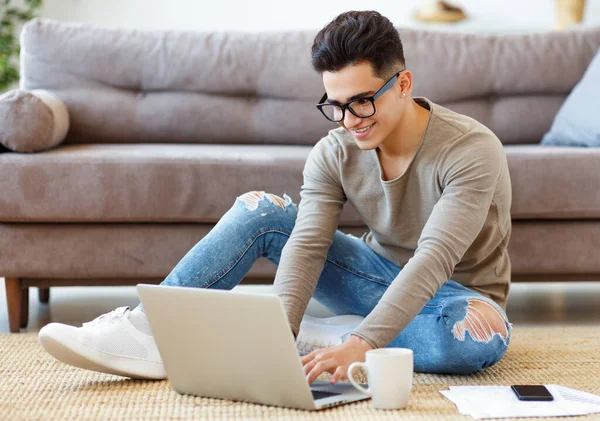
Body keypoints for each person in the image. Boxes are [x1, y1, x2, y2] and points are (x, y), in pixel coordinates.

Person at [39, 10, 513, 384]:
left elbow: (433, 259)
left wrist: (364, 343)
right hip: (370, 278)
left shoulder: (470, 149)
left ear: (403, 85)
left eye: (363, 101)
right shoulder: (335, 150)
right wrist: (279, 335)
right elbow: (307, 244)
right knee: (261, 209)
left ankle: (338, 334)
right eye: (336, 106)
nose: (351, 120)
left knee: (472, 341)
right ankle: (146, 330)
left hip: (456, 299)